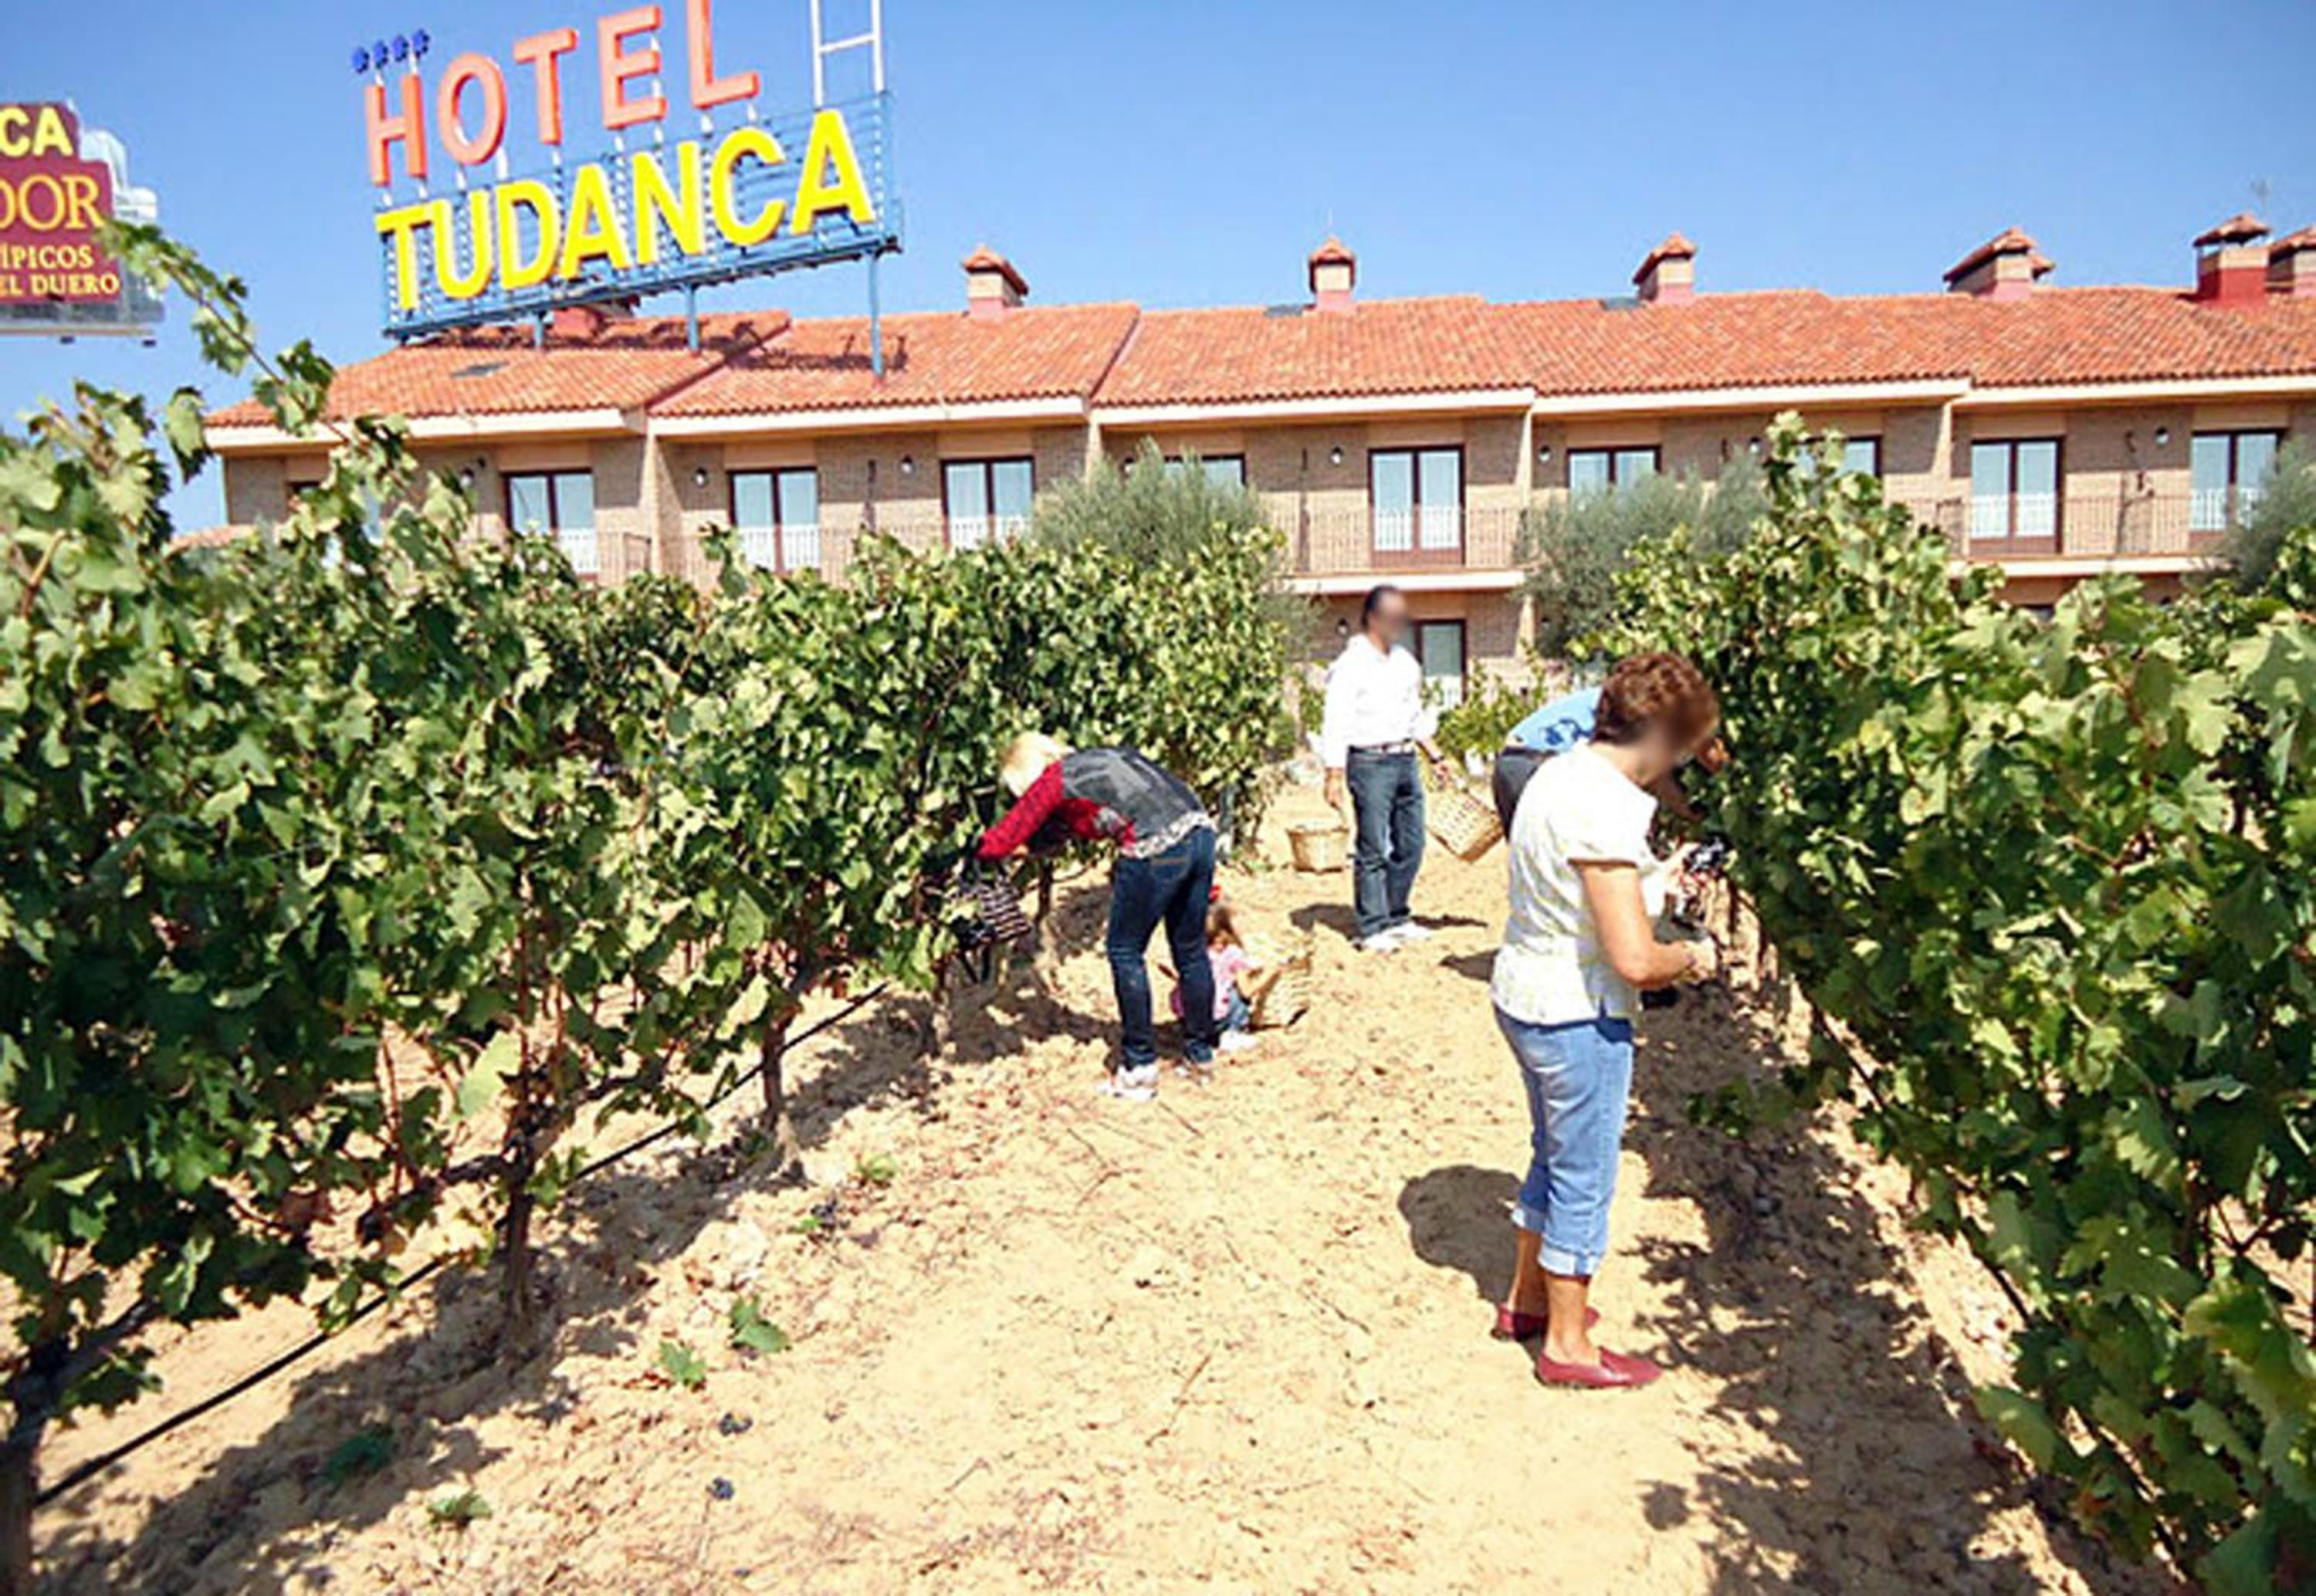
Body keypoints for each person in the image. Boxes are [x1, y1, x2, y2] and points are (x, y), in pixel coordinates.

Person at [1489, 652, 1724, 1390]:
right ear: (1659, 735)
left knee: (1551, 1154)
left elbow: (1584, 886)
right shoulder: (1609, 806)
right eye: (1680, 748)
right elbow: (1634, 960)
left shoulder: (1557, 773)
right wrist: (1695, 958)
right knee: (1585, 1177)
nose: (1675, 765)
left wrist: (1658, 879)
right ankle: (1568, 1345)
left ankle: (1527, 1302)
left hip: (1524, 994)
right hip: (1575, 1013)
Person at [978, 732, 1217, 1100]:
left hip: (1157, 846)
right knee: (1189, 949)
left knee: (1125, 951)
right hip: (1200, 834)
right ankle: (1201, 1054)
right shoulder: (1100, 761)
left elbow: (1003, 839)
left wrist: (967, 856)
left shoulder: (1054, 780)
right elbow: (1072, 825)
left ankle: (1139, 1068)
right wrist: (1033, 847)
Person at [1319, 586, 1456, 952]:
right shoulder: (1350, 665)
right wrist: (1333, 774)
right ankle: (1371, 925)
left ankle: (1397, 915)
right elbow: (1336, 720)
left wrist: (1437, 756)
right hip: (1369, 762)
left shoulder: (1405, 663)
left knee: (1412, 843)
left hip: (1405, 759)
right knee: (1373, 846)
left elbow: (1414, 716)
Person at [1491, 682, 1729, 832]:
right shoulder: (1651, 710)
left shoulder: (1624, 698)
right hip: (1536, 766)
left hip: (1509, 763)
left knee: (1536, 865)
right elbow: (1666, 776)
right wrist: (1705, 808)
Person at [1168, 898, 1277, 1059]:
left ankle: (1194, 1036)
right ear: (1223, 934)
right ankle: (1232, 1032)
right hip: (1217, 1018)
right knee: (1235, 995)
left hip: (1189, 1017)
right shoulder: (1232, 954)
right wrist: (1270, 973)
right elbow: (1246, 991)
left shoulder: (1191, 954)